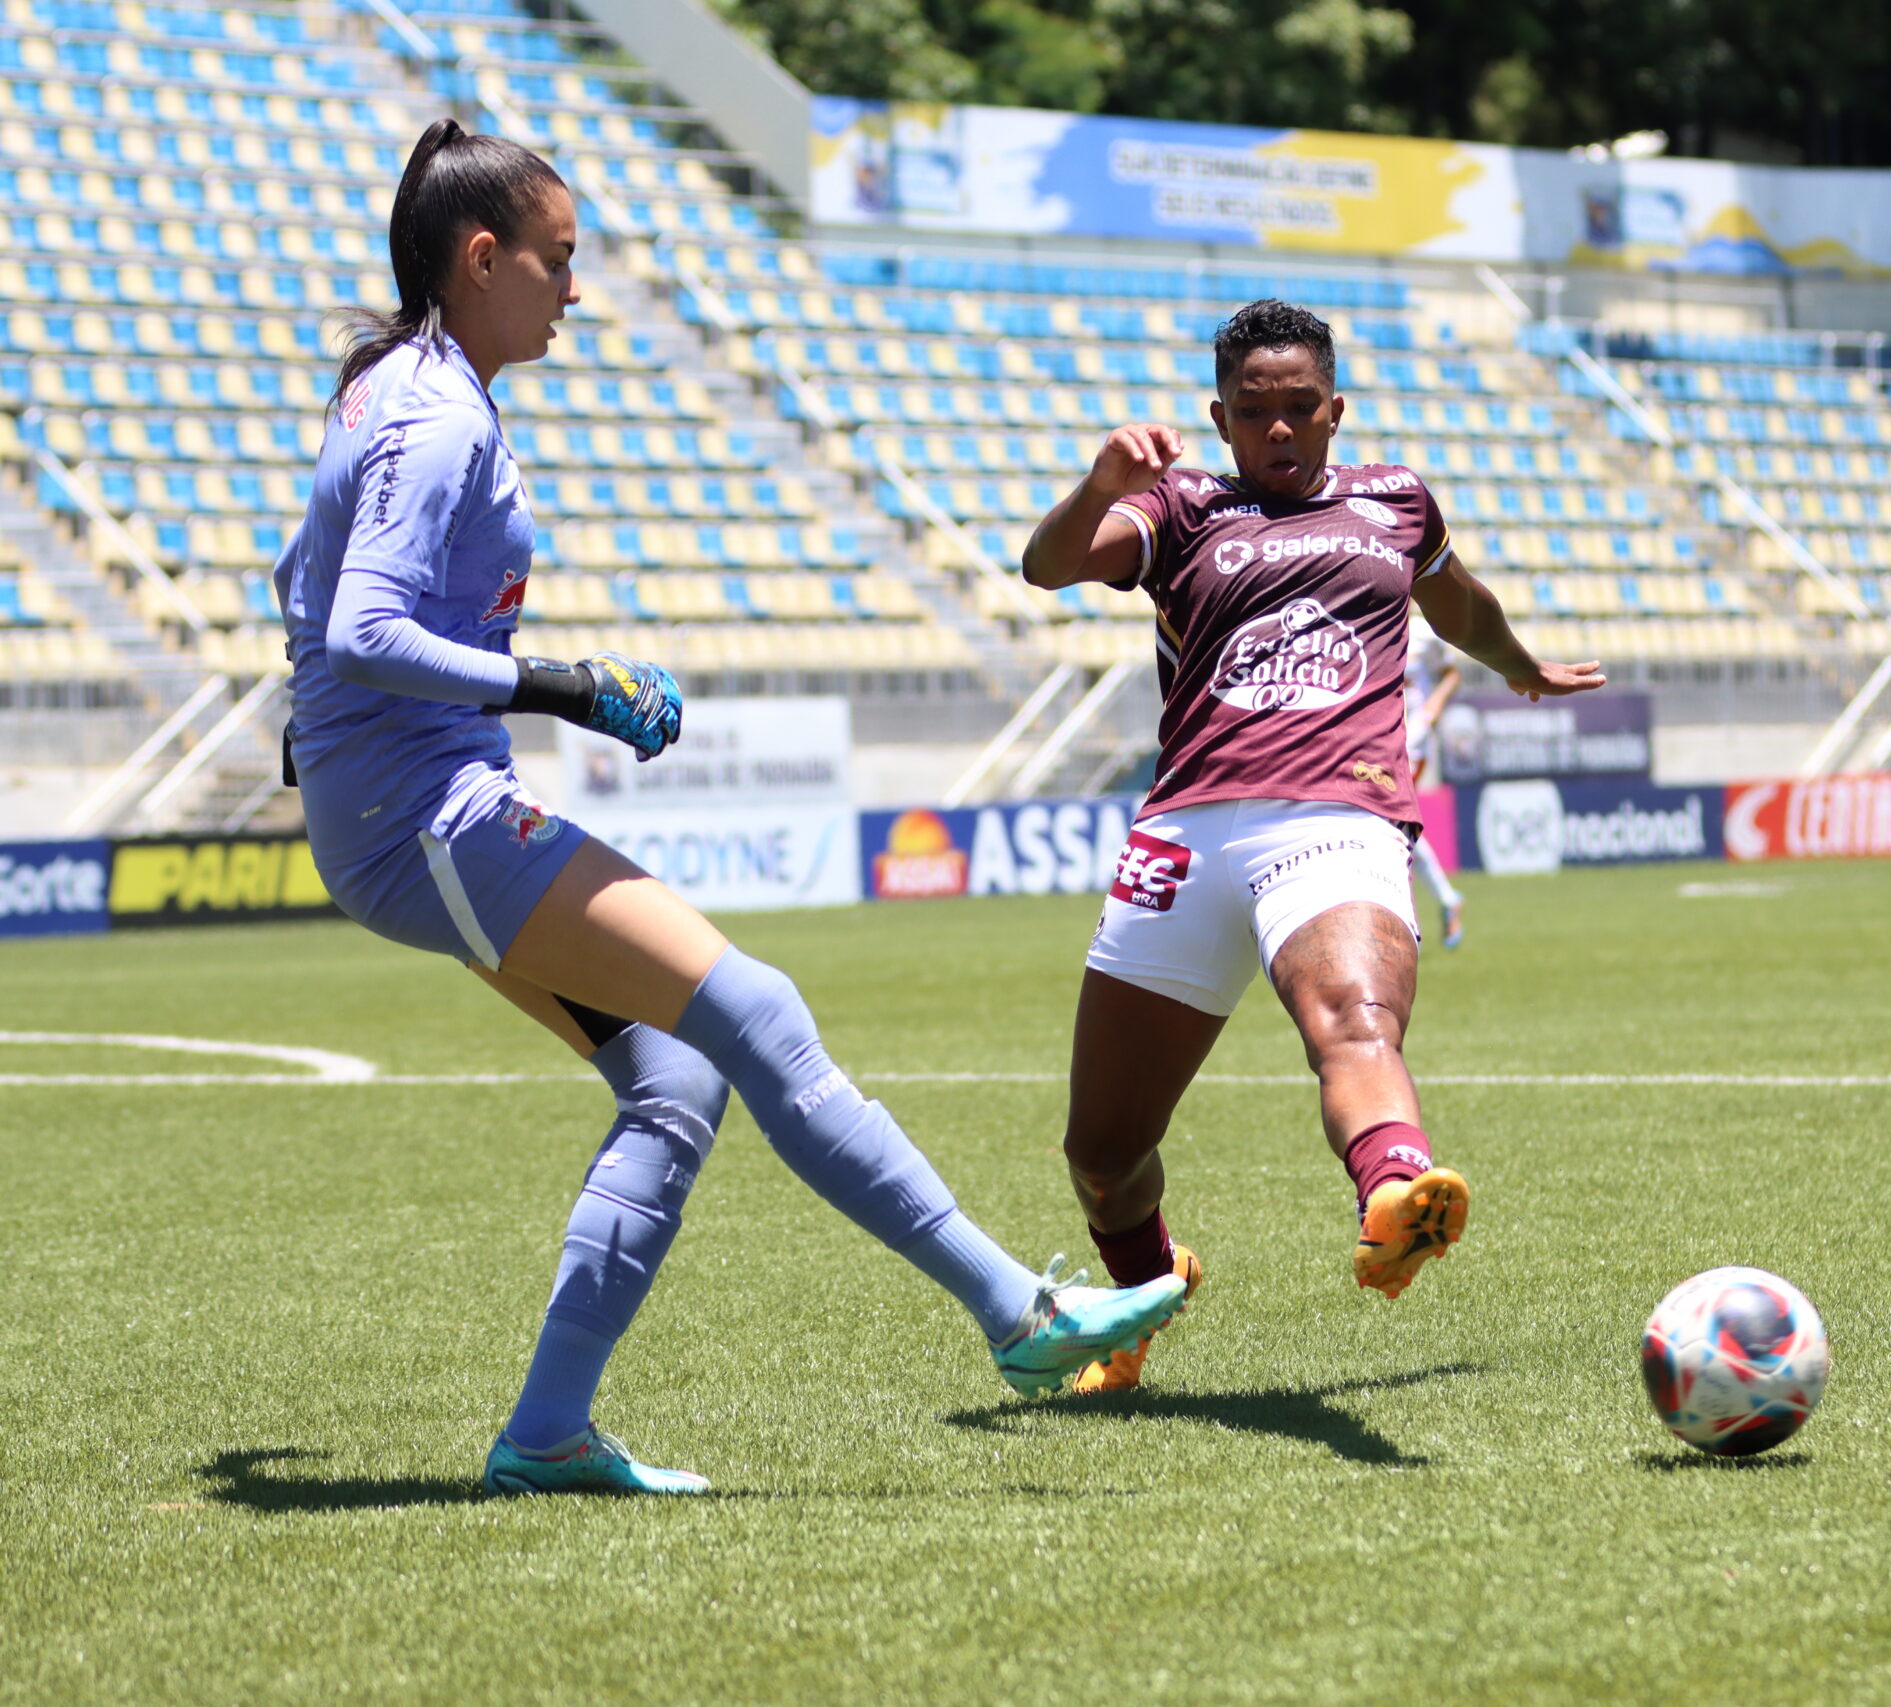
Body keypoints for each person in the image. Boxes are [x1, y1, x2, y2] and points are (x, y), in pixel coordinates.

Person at [275, 119, 1186, 1496]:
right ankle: (1020, 1313)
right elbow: (361, 625)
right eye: (560, 260)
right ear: (482, 257)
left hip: (408, 806)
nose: (576, 290)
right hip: (424, 816)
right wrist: (562, 682)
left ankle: (548, 1434)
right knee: (754, 1007)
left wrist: (326, 725)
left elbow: (305, 577)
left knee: (678, 1073)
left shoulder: (400, 383)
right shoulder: (432, 410)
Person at [1019, 299, 1605, 1392]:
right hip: (1184, 834)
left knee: (1351, 1019)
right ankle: (1141, 1294)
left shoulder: (1394, 501)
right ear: (1221, 417)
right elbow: (1047, 566)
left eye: (1300, 410)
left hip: (1337, 814)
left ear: (1335, 409)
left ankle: (1395, 1192)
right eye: (1255, 414)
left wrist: (1516, 663)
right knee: (1101, 1158)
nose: (1279, 432)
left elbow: (1456, 604)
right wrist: (1100, 485)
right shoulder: (1181, 505)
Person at [1403, 620, 1466, 948]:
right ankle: (1446, 899)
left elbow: (1453, 674)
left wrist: (1433, 707)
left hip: (1413, 738)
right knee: (1398, 825)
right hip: (1378, 735)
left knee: (1390, 819)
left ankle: (1406, 918)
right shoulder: (1360, 622)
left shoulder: (1424, 633)